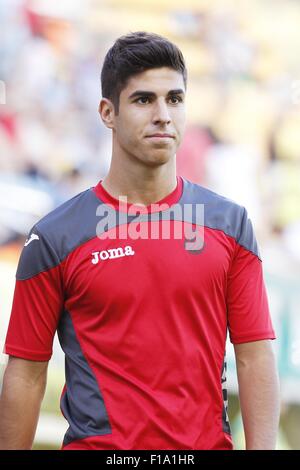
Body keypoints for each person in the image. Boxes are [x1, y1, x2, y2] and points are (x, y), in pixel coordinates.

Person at [0, 31, 280, 450]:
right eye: (144, 100)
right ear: (107, 112)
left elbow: (255, 355)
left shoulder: (230, 224)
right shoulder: (55, 236)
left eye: (175, 98)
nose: (164, 114)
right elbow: (25, 373)